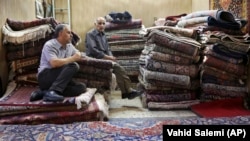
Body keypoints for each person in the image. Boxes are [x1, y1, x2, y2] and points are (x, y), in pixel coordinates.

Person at [85, 17, 141, 99]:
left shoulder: (103, 35)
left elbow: (107, 48)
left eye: (103, 23)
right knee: (118, 67)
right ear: (95, 24)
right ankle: (128, 91)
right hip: (94, 58)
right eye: (99, 23)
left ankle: (126, 92)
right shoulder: (90, 34)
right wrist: (107, 57)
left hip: (104, 58)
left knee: (119, 68)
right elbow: (93, 50)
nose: (102, 25)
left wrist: (111, 57)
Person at [30, 24, 86, 102]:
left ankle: (45, 92)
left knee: (81, 87)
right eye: (68, 33)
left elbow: (78, 54)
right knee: (73, 65)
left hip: (58, 79)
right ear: (60, 33)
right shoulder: (50, 45)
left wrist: (78, 54)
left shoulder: (69, 46)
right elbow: (54, 63)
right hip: (45, 77)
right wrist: (73, 58)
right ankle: (53, 91)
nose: (71, 35)